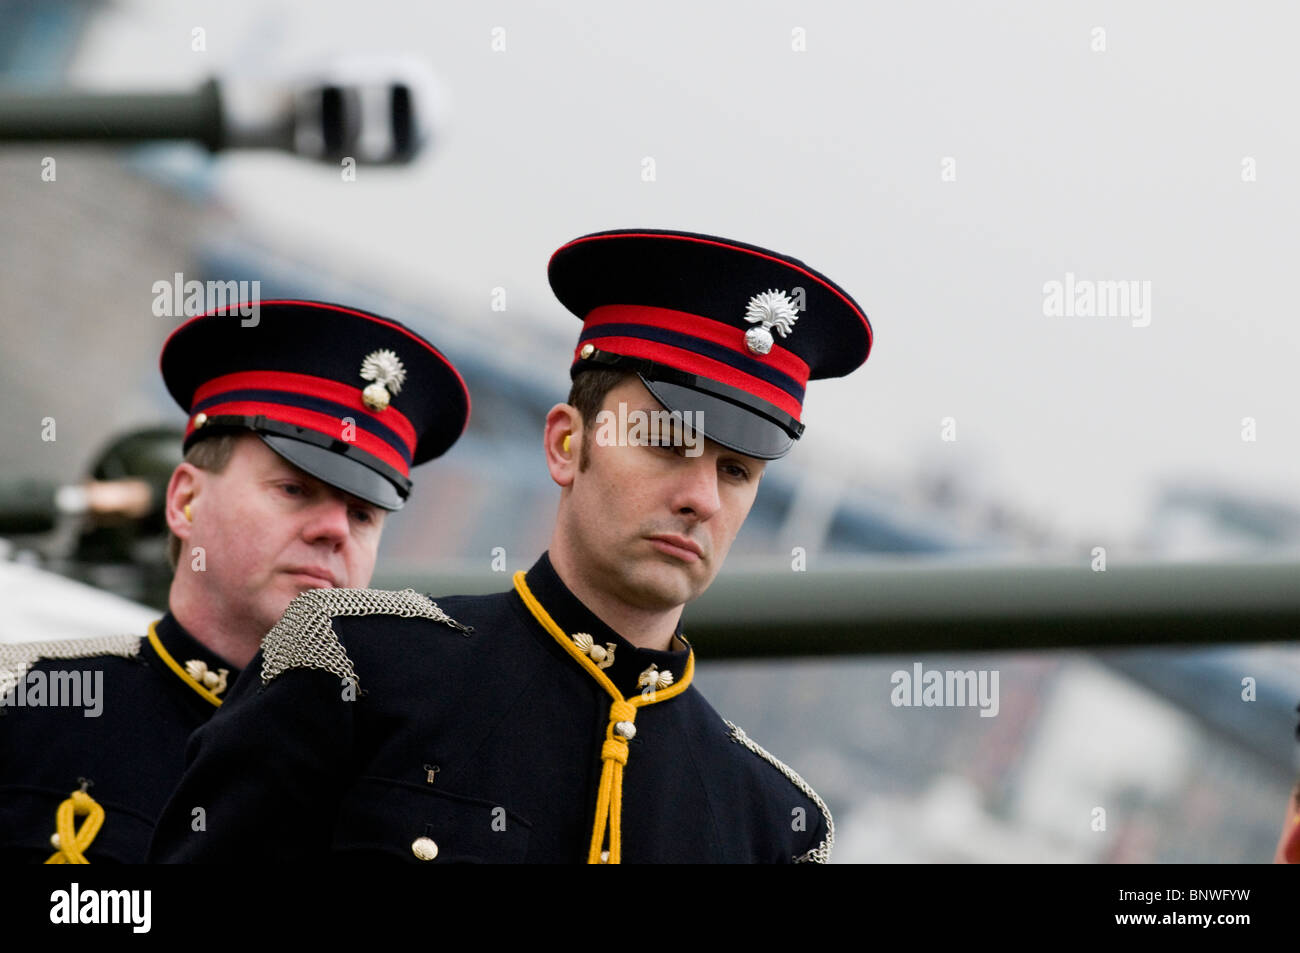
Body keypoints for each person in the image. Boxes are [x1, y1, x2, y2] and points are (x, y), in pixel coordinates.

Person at [150, 229, 873, 864]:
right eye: (664, 442)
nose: (703, 498)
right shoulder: (352, 667)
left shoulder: (773, 824)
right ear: (565, 442)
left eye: (738, 471)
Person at [0, 299, 470, 862]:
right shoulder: (25, 701)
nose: (333, 531)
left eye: (363, 514)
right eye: (294, 490)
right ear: (186, 500)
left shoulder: (402, 785)